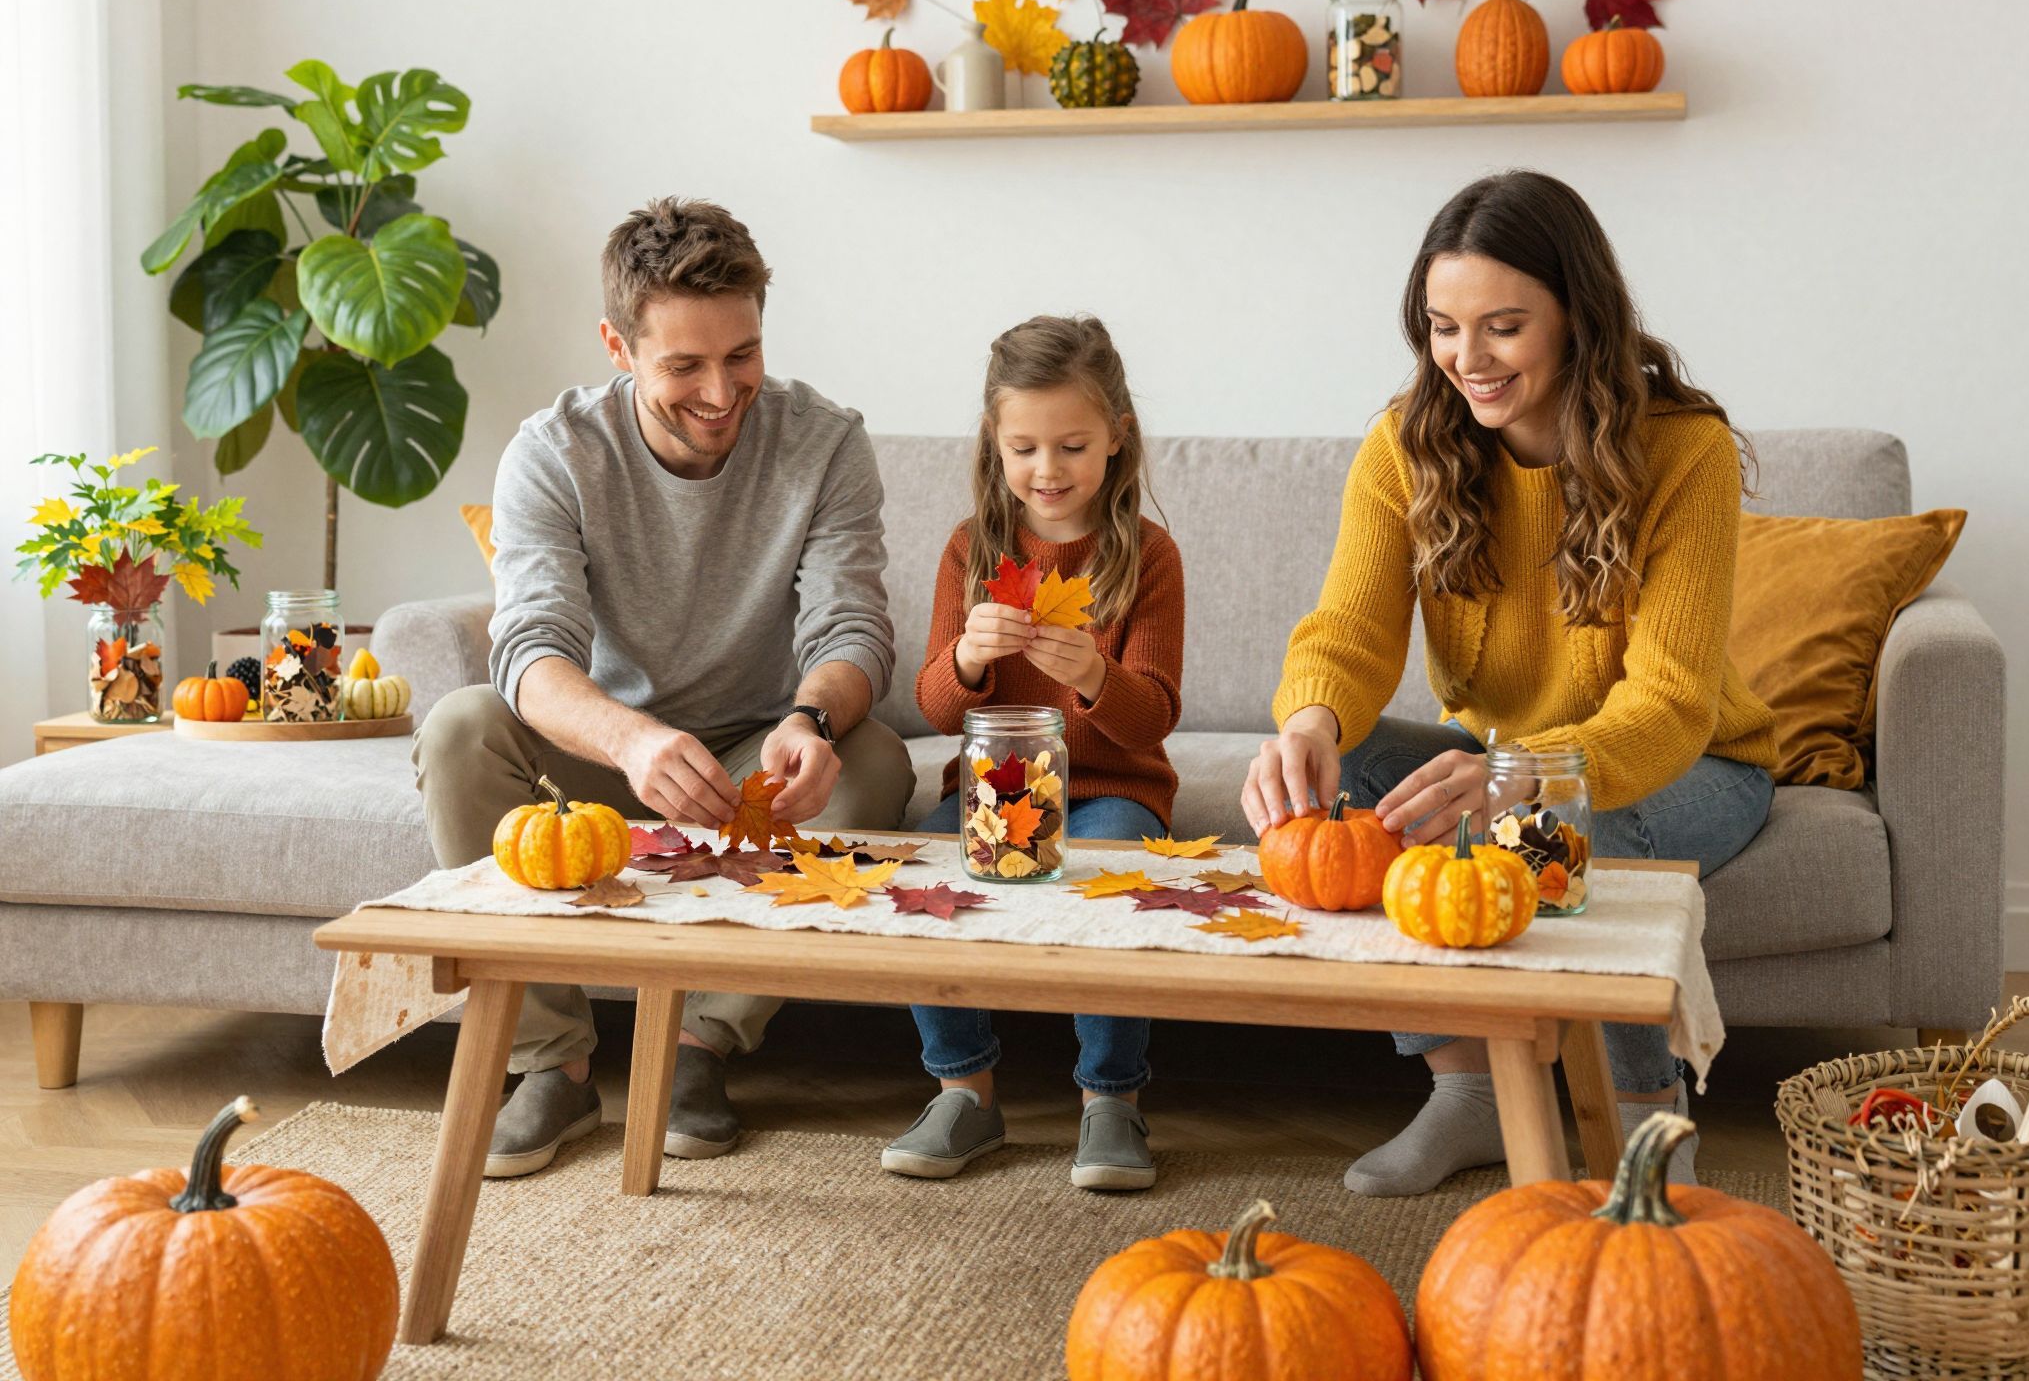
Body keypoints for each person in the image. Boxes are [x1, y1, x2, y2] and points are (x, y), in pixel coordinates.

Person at [1243, 170, 1777, 1194]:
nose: (1467, 359)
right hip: (1505, 760)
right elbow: (1350, 632)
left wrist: (1523, 777)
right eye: (1443, 328)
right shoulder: (1404, 444)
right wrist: (1308, 722)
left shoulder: (1683, 450)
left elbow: (1668, 705)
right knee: (1356, 769)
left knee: (1568, 827)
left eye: (1502, 328)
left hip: (1690, 764)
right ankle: (1469, 1091)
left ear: (1578, 317)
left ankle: (1647, 1121)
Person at [415, 196, 915, 1178]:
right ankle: (551, 1063)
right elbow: (530, 651)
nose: (722, 393)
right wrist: (632, 740)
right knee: (459, 727)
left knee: (874, 762)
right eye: (685, 365)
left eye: (743, 355)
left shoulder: (824, 442)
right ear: (618, 347)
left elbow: (851, 626)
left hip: (755, 754)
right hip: (599, 752)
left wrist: (811, 719)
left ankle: (700, 1045)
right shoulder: (553, 452)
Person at [879, 315, 1185, 1192]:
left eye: (1072, 447)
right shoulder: (971, 549)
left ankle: (1112, 1099)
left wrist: (1094, 675)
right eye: (1024, 449)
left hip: (1111, 787)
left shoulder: (1147, 555)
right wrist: (969, 660)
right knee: (926, 873)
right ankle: (963, 1091)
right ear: (994, 441)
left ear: (1117, 438)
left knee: (1114, 874)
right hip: (991, 787)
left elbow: (1152, 719)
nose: (1047, 470)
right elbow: (935, 707)